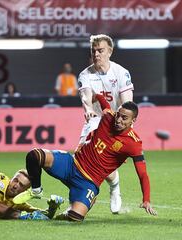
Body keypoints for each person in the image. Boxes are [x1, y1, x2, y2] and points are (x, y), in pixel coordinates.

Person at [13, 94, 157, 221]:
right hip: (72, 164)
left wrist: (146, 199)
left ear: (134, 120)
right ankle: (36, 190)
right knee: (35, 155)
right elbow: (104, 103)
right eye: (118, 114)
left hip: (89, 182)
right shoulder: (108, 116)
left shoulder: (134, 143)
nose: (118, 119)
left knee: (75, 218)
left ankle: (71, 207)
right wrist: (96, 97)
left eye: (124, 118)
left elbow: (143, 174)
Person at [77, 34, 134, 214]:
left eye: (100, 50)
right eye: (93, 51)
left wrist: (125, 129)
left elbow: (127, 104)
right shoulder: (85, 74)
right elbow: (86, 96)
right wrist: (87, 108)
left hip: (115, 122)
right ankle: (108, 187)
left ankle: (113, 189)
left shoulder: (121, 73)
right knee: (81, 160)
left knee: (103, 163)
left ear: (110, 51)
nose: (96, 54)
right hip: (94, 120)